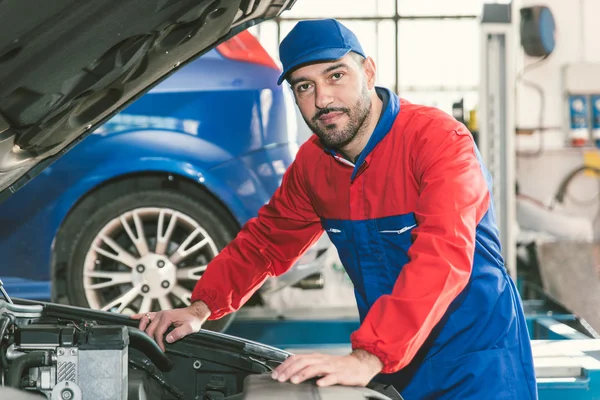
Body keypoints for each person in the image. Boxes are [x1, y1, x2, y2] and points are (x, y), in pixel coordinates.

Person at [132, 19, 538, 399]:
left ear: (370, 73)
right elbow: (265, 243)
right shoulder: (314, 165)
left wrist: (368, 356)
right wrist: (201, 307)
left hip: (477, 363)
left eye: (336, 76)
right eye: (303, 87)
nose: (322, 98)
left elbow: (443, 253)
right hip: (395, 368)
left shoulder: (438, 141)